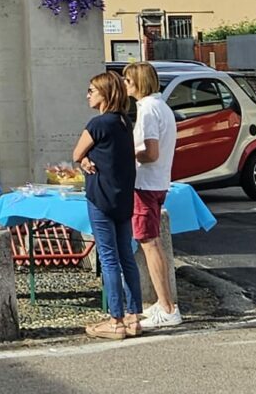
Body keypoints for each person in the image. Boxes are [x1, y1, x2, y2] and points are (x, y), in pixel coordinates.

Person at [75, 71, 143, 340]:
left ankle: (115, 319)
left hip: (100, 196)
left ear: (105, 93)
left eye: (92, 90)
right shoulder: (124, 122)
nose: (88, 94)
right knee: (126, 254)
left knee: (109, 257)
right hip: (123, 196)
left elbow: (76, 152)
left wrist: (82, 160)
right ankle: (133, 316)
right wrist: (86, 160)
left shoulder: (98, 123)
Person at [125, 61, 182, 329]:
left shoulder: (146, 108)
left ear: (138, 82)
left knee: (149, 243)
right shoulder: (162, 107)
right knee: (153, 242)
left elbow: (150, 153)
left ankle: (168, 308)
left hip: (145, 182)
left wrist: (126, 153)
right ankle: (164, 303)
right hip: (159, 181)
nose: (125, 85)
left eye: (128, 80)